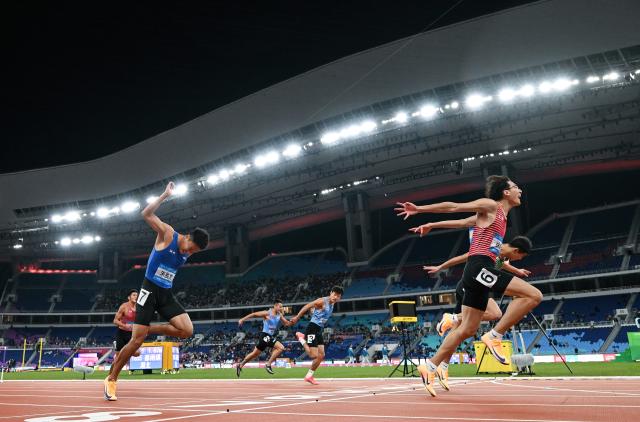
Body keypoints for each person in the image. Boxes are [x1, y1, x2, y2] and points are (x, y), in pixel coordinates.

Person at [396, 175, 542, 396]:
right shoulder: (491, 206)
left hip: (477, 272)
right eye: (515, 187)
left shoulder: (498, 219)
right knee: (533, 296)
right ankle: (494, 335)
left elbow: (461, 223)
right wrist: (420, 209)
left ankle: (431, 366)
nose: (519, 190)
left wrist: (432, 225)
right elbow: (454, 207)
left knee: (468, 329)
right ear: (505, 192)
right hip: (479, 269)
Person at [103, 182, 209, 401]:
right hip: (148, 290)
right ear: (187, 236)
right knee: (135, 342)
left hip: (166, 294)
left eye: (193, 252)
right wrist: (164, 195)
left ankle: (146, 330)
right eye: (190, 248)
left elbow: (175, 265)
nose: (188, 253)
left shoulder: (188, 252)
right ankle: (112, 379)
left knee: (187, 330)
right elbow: (146, 213)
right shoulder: (168, 234)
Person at [423, 235, 533, 389]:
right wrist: (441, 267)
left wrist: (517, 271)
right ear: (516, 250)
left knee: (458, 333)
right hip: (470, 286)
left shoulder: (502, 256)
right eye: (520, 256)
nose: (519, 259)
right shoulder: (492, 248)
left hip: (478, 288)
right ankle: (452, 317)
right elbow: (464, 257)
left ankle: (443, 367)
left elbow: (504, 264)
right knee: (495, 313)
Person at [292, 286, 344, 385]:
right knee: (313, 355)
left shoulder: (332, 304)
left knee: (321, 355)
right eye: (334, 294)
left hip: (319, 329)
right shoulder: (322, 301)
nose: (335, 297)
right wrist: (297, 317)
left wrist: (313, 311)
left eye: (338, 296)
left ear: (340, 298)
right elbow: (307, 305)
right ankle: (301, 338)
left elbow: (314, 309)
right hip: (312, 328)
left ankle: (309, 376)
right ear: (330, 293)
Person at [236, 299, 293, 377]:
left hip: (268, 337)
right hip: (265, 335)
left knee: (254, 354)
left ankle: (240, 365)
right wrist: (242, 319)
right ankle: (268, 364)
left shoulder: (279, 315)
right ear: (275, 306)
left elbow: (286, 323)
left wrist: (293, 320)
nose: (281, 308)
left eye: (282, 307)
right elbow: (254, 314)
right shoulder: (267, 313)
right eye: (280, 307)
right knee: (281, 348)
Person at [111, 289, 141, 375]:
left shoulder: (140, 307)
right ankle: (110, 377)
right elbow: (115, 321)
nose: (136, 297)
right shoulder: (124, 306)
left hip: (132, 334)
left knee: (137, 353)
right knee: (117, 359)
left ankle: (125, 352)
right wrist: (125, 325)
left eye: (137, 295)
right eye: (134, 295)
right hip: (122, 333)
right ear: (129, 297)